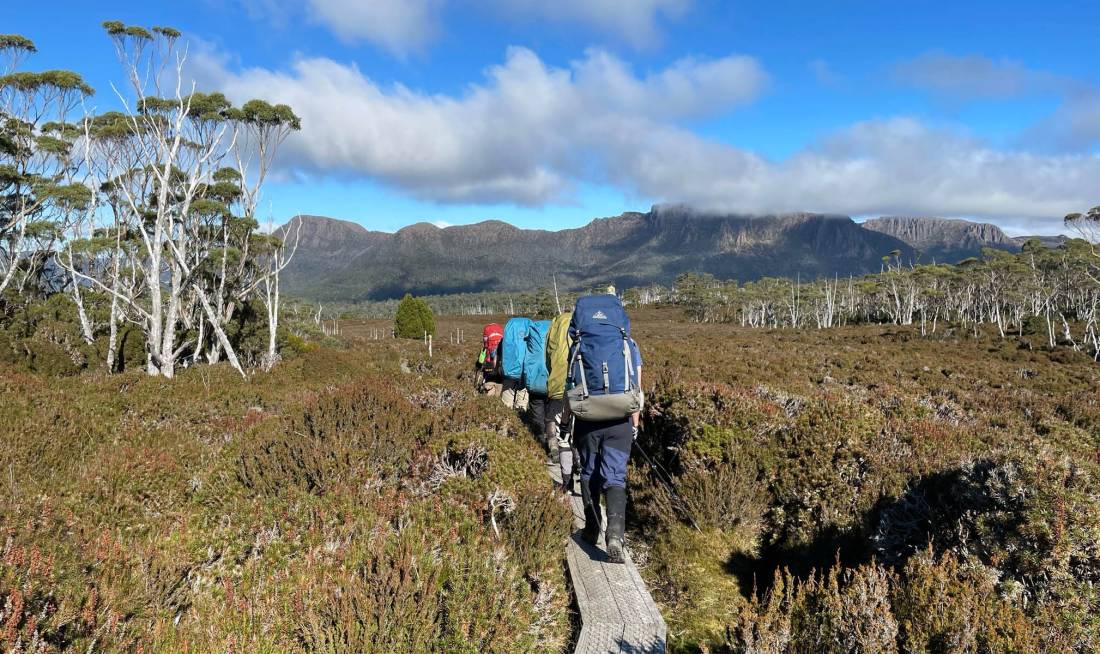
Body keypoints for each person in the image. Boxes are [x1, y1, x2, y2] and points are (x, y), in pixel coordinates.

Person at [563, 292, 643, 564]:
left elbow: (569, 388)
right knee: (615, 476)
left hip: (587, 421)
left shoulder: (578, 346)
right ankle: (615, 535)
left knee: (588, 472)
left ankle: (591, 528)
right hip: (620, 420)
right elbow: (636, 388)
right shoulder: (628, 345)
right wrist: (634, 422)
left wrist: (565, 423)